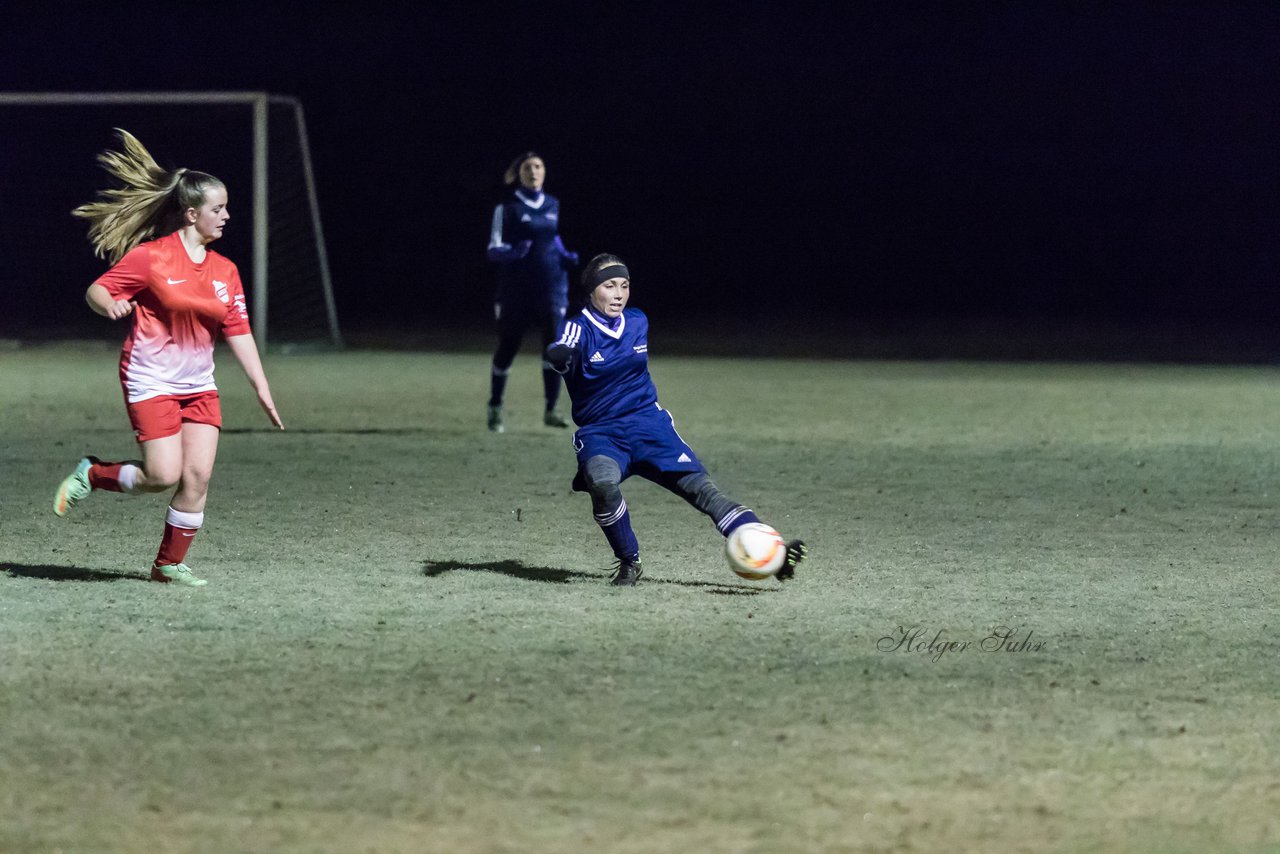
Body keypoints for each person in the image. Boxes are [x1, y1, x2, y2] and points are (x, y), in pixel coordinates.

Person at [52, 129, 284, 587]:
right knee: (162, 474)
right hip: (151, 378)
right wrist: (108, 304)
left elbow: (238, 329)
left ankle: (167, 565)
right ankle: (93, 473)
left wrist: (262, 387)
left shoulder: (225, 270)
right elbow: (97, 289)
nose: (227, 216)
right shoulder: (151, 258)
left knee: (196, 476)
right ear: (193, 213)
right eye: (218, 209)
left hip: (199, 385)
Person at [544, 253, 807, 586]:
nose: (619, 294)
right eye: (609, 286)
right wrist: (560, 355)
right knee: (603, 484)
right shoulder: (577, 328)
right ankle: (629, 561)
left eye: (624, 286)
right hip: (602, 433)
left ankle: (776, 557)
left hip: (650, 425)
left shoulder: (638, 321)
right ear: (592, 291)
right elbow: (561, 347)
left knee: (704, 491)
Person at [485, 151, 579, 433]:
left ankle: (551, 409)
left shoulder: (553, 204)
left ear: (544, 172)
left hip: (551, 288)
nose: (534, 171)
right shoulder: (507, 207)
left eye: (539, 166)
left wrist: (564, 256)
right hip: (516, 291)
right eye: (528, 167)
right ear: (519, 173)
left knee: (554, 349)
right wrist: (513, 253)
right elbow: (493, 249)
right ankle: (495, 407)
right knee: (508, 346)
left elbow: (553, 238)